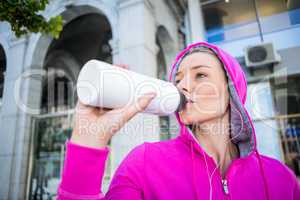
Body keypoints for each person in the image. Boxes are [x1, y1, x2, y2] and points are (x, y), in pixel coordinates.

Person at [57, 42, 300, 200]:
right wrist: (88, 142)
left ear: (232, 91)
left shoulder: (280, 178)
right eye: (178, 79)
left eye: (200, 75)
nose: (182, 85)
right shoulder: (144, 163)